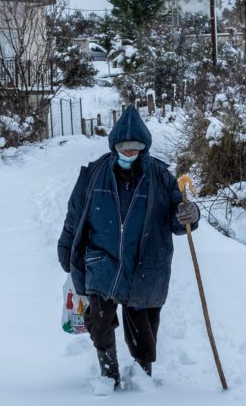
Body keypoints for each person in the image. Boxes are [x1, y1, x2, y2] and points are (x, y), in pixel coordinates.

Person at [57, 105, 199, 389]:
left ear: (144, 149)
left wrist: (189, 215)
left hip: (144, 262)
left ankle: (142, 374)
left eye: (135, 150)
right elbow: (75, 214)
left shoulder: (160, 176)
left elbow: (177, 219)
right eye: (123, 149)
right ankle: (109, 374)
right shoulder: (94, 173)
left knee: (143, 328)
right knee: (98, 322)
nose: (128, 154)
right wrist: (66, 246)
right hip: (101, 260)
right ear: (114, 147)